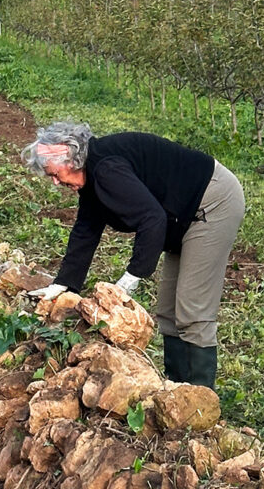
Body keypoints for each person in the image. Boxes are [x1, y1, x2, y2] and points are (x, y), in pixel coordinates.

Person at [21, 122, 245, 390]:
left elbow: (152, 219)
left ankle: (200, 398)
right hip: (181, 213)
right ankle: (176, 389)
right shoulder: (91, 176)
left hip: (211, 203)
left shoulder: (106, 170)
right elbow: (86, 229)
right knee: (168, 312)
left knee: (192, 309)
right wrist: (64, 284)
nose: (56, 182)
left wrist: (131, 278)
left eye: (54, 174)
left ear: (70, 158)